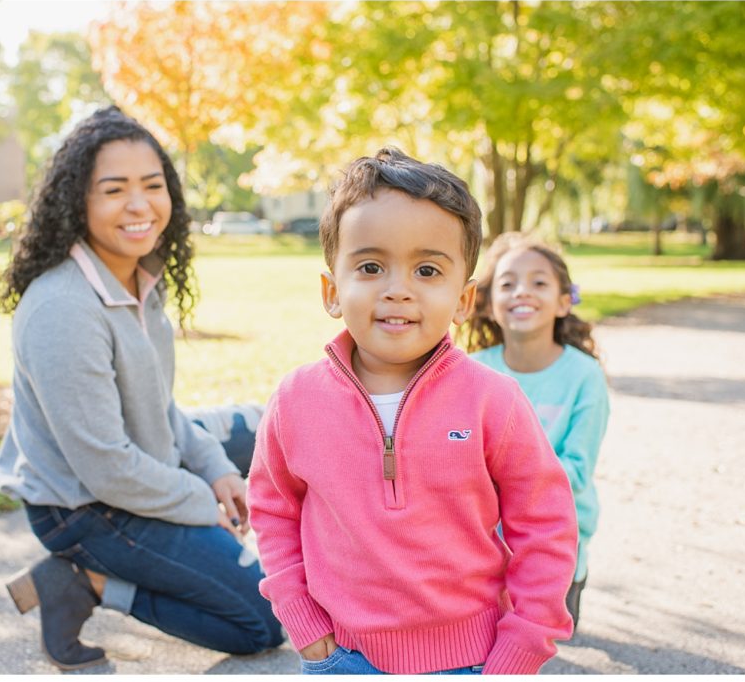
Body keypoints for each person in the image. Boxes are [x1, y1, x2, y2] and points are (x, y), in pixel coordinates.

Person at [247, 147, 577, 675]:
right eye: (371, 266)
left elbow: (545, 525)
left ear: (464, 301)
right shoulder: (296, 402)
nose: (398, 290)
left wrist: (525, 643)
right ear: (333, 291)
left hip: (473, 659)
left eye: (427, 270)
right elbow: (273, 511)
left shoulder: (494, 401)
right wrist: (300, 616)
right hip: (340, 658)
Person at [0, 106, 284, 670]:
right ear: (78, 200)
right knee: (261, 619)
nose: (138, 204)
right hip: (87, 509)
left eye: (152, 185)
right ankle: (87, 582)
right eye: (114, 189)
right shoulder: (64, 309)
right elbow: (107, 468)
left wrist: (216, 468)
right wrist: (204, 504)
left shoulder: (136, 276)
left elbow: (158, 408)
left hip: (137, 469)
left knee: (272, 424)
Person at [462, 232, 610, 631]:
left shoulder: (584, 376)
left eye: (539, 282)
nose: (522, 292)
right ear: (489, 304)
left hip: (555, 541)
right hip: (478, 547)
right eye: (508, 284)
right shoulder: (470, 371)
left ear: (565, 301)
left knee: (539, 643)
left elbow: (577, 469)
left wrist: (499, 479)